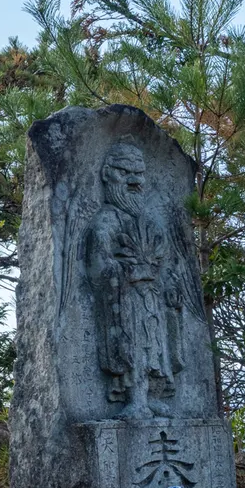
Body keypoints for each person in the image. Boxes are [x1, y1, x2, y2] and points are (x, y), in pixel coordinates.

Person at [84, 138, 184, 417]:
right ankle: (135, 398)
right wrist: (123, 272)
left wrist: (169, 280)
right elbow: (99, 263)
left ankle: (153, 394)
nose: (133, 180)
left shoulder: (149, 222)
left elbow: (167, 260)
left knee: (155, 346)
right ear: (108, 175)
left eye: (138, 174)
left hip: (153, 297)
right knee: (132, 346)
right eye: (124, 173)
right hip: (124, 299)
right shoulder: (105, 220)